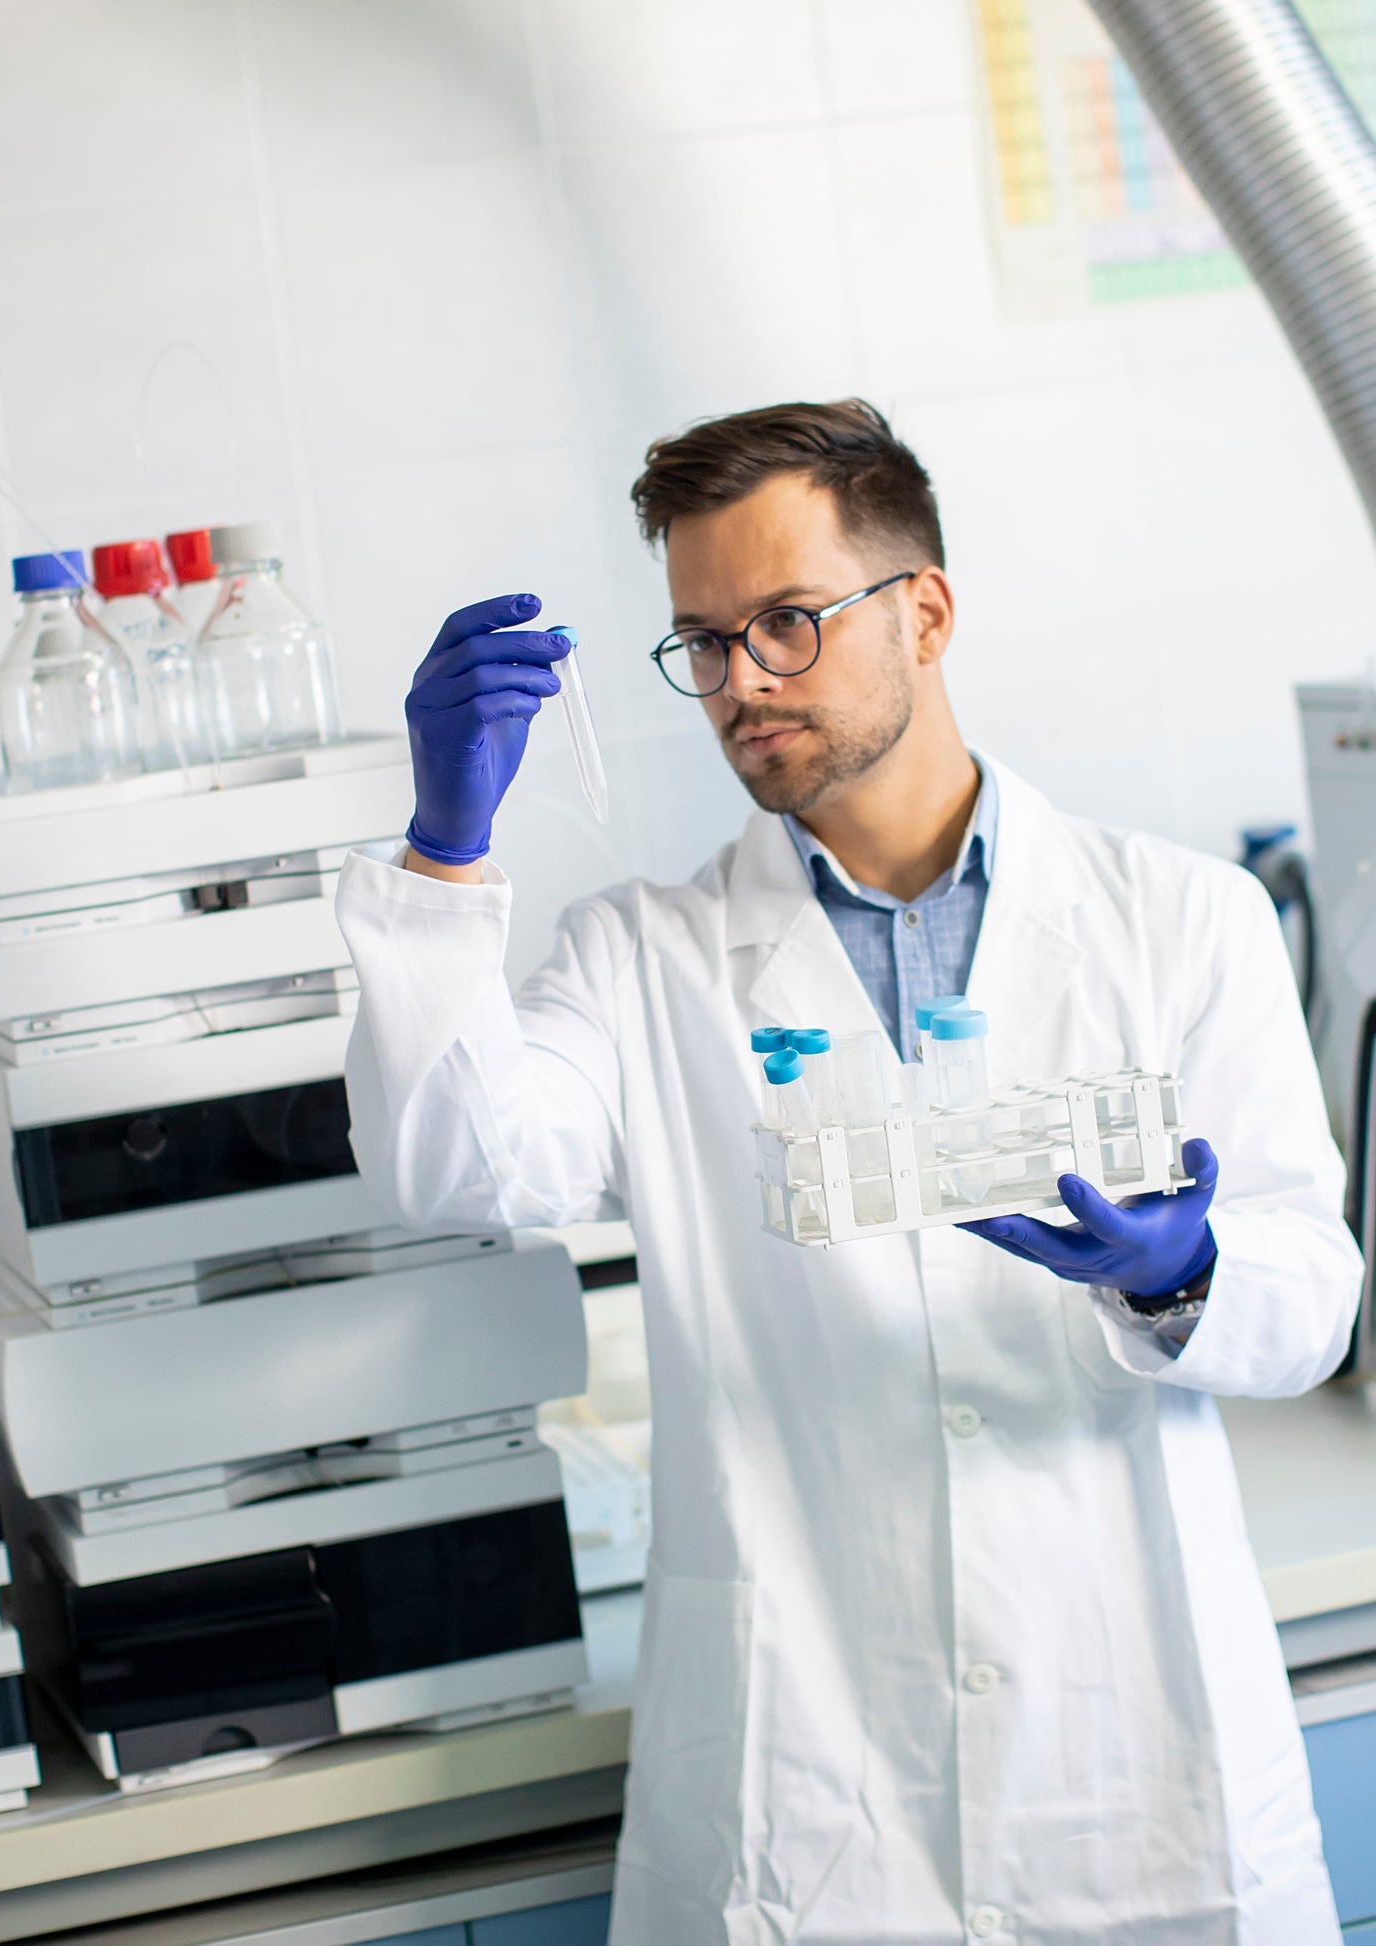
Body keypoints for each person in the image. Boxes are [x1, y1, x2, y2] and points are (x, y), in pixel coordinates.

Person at [333, 400, 1362, 1944]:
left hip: (1136, 1789)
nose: (741, 680)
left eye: (787, 623)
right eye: (703, 642)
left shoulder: (1180, 918)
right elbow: (452, 1163)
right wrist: (442, 852)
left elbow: (1313, 1305)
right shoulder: (642, 959)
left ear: (925, 610)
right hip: (806, 1820)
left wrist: (1182, 1274)